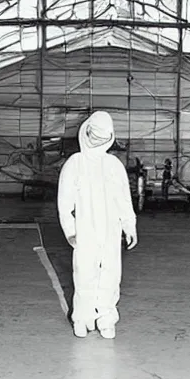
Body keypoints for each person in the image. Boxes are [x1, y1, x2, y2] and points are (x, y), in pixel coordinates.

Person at [57, 111, 138, 339]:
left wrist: (129, 226)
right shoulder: (75, 164)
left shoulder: (113, 165)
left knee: (111, 276)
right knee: (84, 275)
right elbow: (64, 203)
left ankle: (106, 319)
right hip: (85, 230)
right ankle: (81, 319)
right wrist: (71, 231)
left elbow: (123, 199)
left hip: (111, 231)